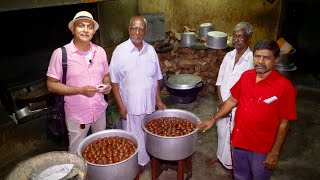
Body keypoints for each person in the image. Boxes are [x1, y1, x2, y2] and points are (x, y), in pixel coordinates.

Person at [199, 39, 297, 180]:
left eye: (266, 57)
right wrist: (213, 119)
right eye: (257, 56)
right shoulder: (246, 77)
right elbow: (233, 100)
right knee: (239, 176)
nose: (260, 62)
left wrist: (275, 153)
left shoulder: (285, 87)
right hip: (239, 142)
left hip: (262, 149)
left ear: (276, 60)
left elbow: (284, 123)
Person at [46, 11, 111, 153]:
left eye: (90, 26)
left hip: (99, 110)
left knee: (101, 148)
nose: (86, 30)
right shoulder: (61, 54)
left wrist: (107, 86)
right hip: (77, 114)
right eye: (81, 26)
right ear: (73, 29)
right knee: (76, 152)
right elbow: (51, 85)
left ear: (94, 31)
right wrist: (79, 90)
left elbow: (106, 75)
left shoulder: (100, 52)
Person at [109, 16, 166, 167]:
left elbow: (156, 78)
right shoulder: (120, 52)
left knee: (149, 134)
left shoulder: (151, 50)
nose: (137, 32)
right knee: (133, 138)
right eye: (134, 28)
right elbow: (114, 82)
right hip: (130, 107)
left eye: (141, 29)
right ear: (129, 29)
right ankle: (137, 166)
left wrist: (158, 100)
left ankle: (149, 160)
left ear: (145, 31)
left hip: (149, 105)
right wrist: (121, 106)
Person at [207, 22, 254, 170]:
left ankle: (233, 165)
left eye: (239, 37)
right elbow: (219, 80)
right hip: (223, 103)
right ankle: (220, 156)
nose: (235, 40)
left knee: (234, 136)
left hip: (238, 106)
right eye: (234, 36)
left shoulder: (252, 60)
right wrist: (221, 101)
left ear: (248, 39)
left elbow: (249, 90)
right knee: (221, 132)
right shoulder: (228, 56)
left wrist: (229, 104)